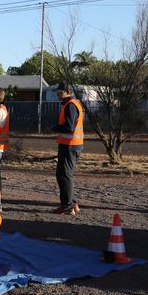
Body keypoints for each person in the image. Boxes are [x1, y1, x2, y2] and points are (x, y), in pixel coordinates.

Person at [51, 82, 84, 215]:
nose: (58, 95)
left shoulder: (70, 106)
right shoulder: (71, 104)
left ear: (68, 92)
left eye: (60, 92)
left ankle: (67, 206)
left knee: (64, 175)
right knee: (65, 175)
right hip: (70, 145)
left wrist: (55, 128)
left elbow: (69, 127)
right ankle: (72, 203)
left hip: (70, 145)